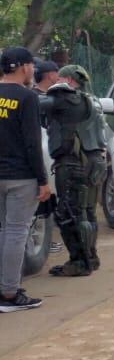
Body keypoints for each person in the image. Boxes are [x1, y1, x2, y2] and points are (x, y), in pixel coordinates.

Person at [39, 64, 108, 277]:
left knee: (68, 213)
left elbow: (34, 106)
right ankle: (91, 258)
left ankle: (79, 262)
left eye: (59, 78)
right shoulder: (92, 101)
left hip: (72, 162)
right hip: (95, 161)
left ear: (68, 80)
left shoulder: (63, 98)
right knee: (87, 212)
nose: (55, 81)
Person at [0, 48, 51, 312]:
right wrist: (43, 180)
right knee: (17, 232)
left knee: (4, 231)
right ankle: (9, 294)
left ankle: (4, 287)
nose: (33, 70)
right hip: (21, 178)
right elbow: (33, 143)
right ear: (22, 67)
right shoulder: (27, 97)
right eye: (31, 65)